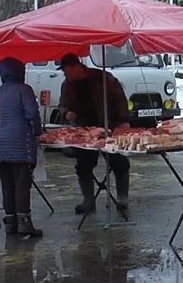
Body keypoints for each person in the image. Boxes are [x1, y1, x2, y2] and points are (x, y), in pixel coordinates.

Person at [56, 53, 131, 214]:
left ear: (74, 67)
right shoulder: (67, 85)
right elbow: (62, 105)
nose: (64, 74)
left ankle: (122, 197)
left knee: (118, 161)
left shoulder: (102, 78)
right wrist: (66, 112)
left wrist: (123, 119)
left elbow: (120, 99)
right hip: (83, 130)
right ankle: (88, 200)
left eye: (65, 71)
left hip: (108, 125)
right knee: (83, 165)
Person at [0, 57, 43, 237]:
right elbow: (31, 112)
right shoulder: (23, 90)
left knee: (7, 186)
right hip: (19, 141)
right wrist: (37, 130)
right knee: (21, 185)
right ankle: (24, 222)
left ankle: (10, 222)